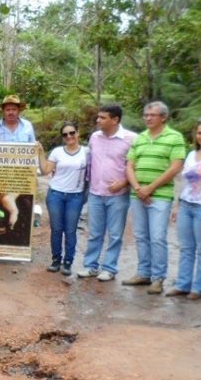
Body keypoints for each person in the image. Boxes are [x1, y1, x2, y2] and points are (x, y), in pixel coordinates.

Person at [123, 101, 186, 294]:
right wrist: (137, 187)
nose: (148, 118)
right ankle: (144, 273)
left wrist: (150, 188)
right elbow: (129, 166)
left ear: (163, 117)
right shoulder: (140, 138)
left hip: (160, 196)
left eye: (152, 115)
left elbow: (175, 167)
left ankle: (158, 278)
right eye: (146, 115)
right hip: (138, 195)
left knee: (157, 237)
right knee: (141, 235)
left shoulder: (174, 137)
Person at [76, 104, 137, 281]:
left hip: (118, 195)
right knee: (95, 233)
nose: (98, 120)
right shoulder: (95, 137)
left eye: (102, 117)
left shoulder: (132, 139)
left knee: (115, 234)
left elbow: (136, 166)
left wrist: (124, 183)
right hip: (95, 193)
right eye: (98, 117)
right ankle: (91, 266)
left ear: (115, 120)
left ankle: (109, 268)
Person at [166, 118, 201, 299]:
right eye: (200, 132)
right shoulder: (192, 154)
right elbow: (185, 182)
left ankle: (199, 288)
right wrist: (177, 206)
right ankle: (182, 284)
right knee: (186, 248)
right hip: (185, 205)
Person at [37, 122, 89, 276]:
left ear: (78, 133)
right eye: (65, 134)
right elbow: (46, 170)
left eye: (72, 133)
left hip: (75, 195)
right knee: (56, 229)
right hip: (56, 194)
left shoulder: (87, 152)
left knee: (71, 230)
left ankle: (68, 262)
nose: (69, 136)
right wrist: (41, 153)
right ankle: (56, 259)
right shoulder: (57, 152)